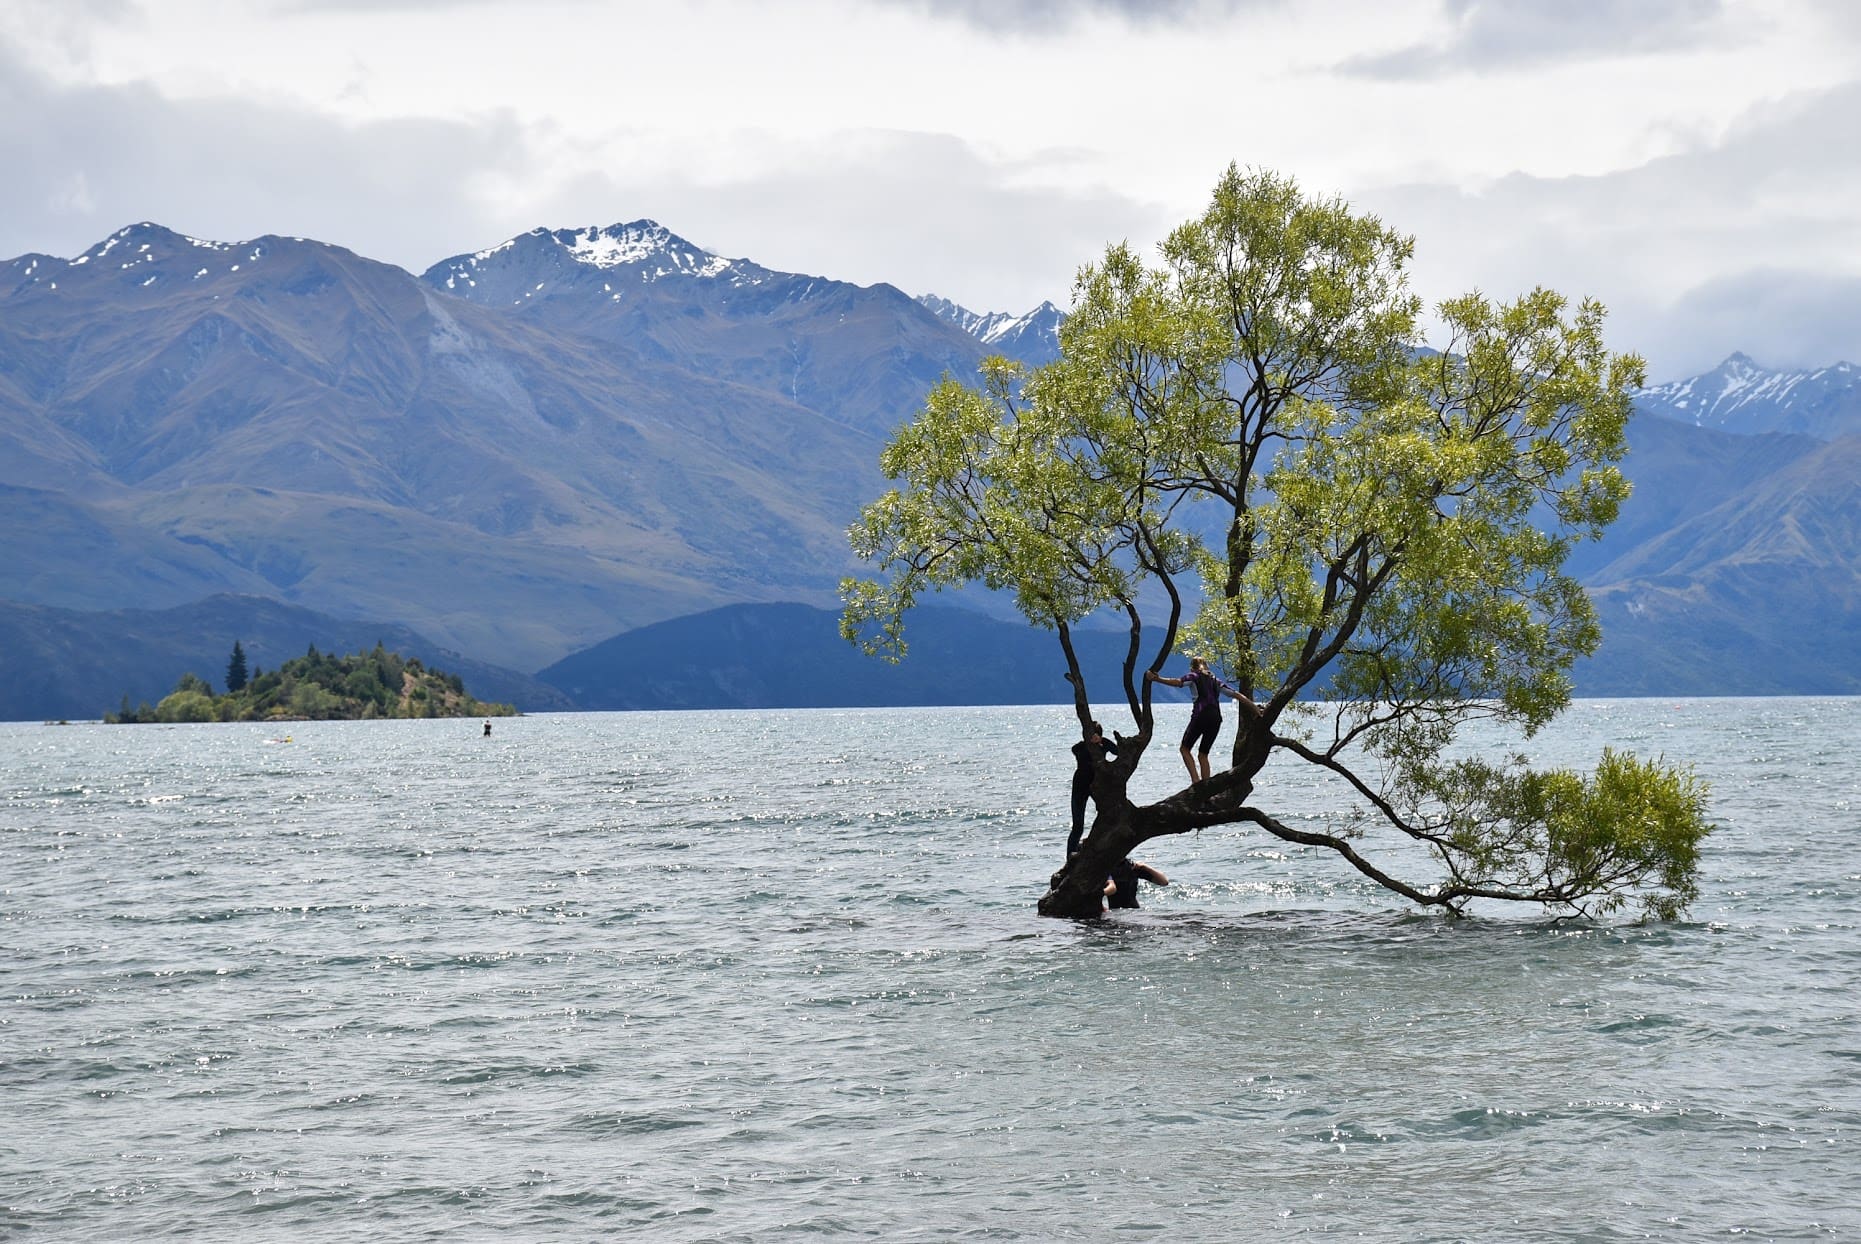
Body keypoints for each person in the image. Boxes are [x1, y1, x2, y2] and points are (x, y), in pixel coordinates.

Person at [1146, 656, 1240, 784]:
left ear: (1192, 667)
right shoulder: (1215, 680)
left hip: (1200, 716)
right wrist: (1256, 709)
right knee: (1203, 754)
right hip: (1216, 718)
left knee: (1184, 749)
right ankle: (1206, 786)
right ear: (1207, 666)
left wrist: (1156, 679)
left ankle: (1196, 781)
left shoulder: (1193, 676)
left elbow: (1177, 682)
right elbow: (1237, 695)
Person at [1067, 720, 1119, 857]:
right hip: (1080, 787)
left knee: (1106, 816)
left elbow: (1118, 751)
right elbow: (1074, 749)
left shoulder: (1103, 745)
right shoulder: (1081, 747)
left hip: (1097, 786)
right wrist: (1089, 743)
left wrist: (1102, 741)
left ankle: (1098, 847)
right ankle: (1070, 856)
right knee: (1078, 826)